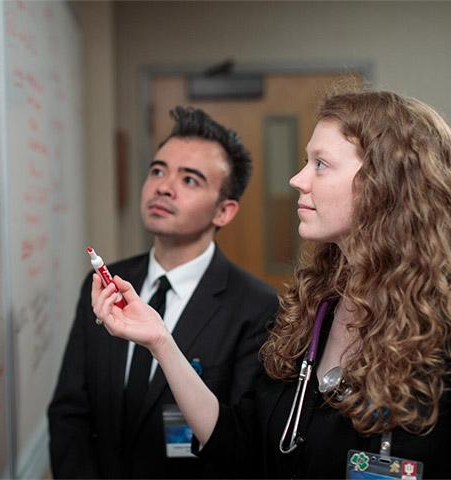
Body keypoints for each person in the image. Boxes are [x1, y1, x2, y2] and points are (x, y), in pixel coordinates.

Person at [93, 90, 451, 478]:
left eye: (320, 164)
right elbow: (240, 445)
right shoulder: (314, 311)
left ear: (385, 184)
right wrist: (161, 343)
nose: (298, 179)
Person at [48, 106, 279, 478]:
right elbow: (70, 412)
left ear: (224, 211)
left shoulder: (257, 307)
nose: (163, 186)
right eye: (157, 170)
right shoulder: (108, 282)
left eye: (190, 180)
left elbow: (243, 446)